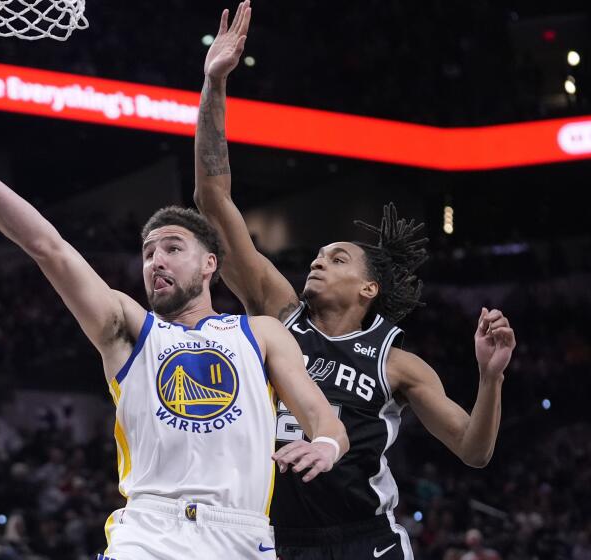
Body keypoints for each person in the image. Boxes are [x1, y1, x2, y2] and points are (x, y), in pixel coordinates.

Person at [0, 85, 348, 560]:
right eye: (148, 253)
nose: (155, 261)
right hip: (149, 531)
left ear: (210, 264)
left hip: (241, 535)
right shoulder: (129, 326)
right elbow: (49, 247)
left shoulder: (261, 333)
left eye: (171, 248)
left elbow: (322, 417)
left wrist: (327, 445)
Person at [193, 3, 516, 559]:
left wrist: (490, 379)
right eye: (318, 254)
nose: (318, 261)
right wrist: (214, 83)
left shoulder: (397, 363)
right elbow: (212, 200)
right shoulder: (278, 308)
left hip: (365, 543)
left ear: (370, 289)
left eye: (338, 258)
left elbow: (473, 450)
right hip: (268, 537)